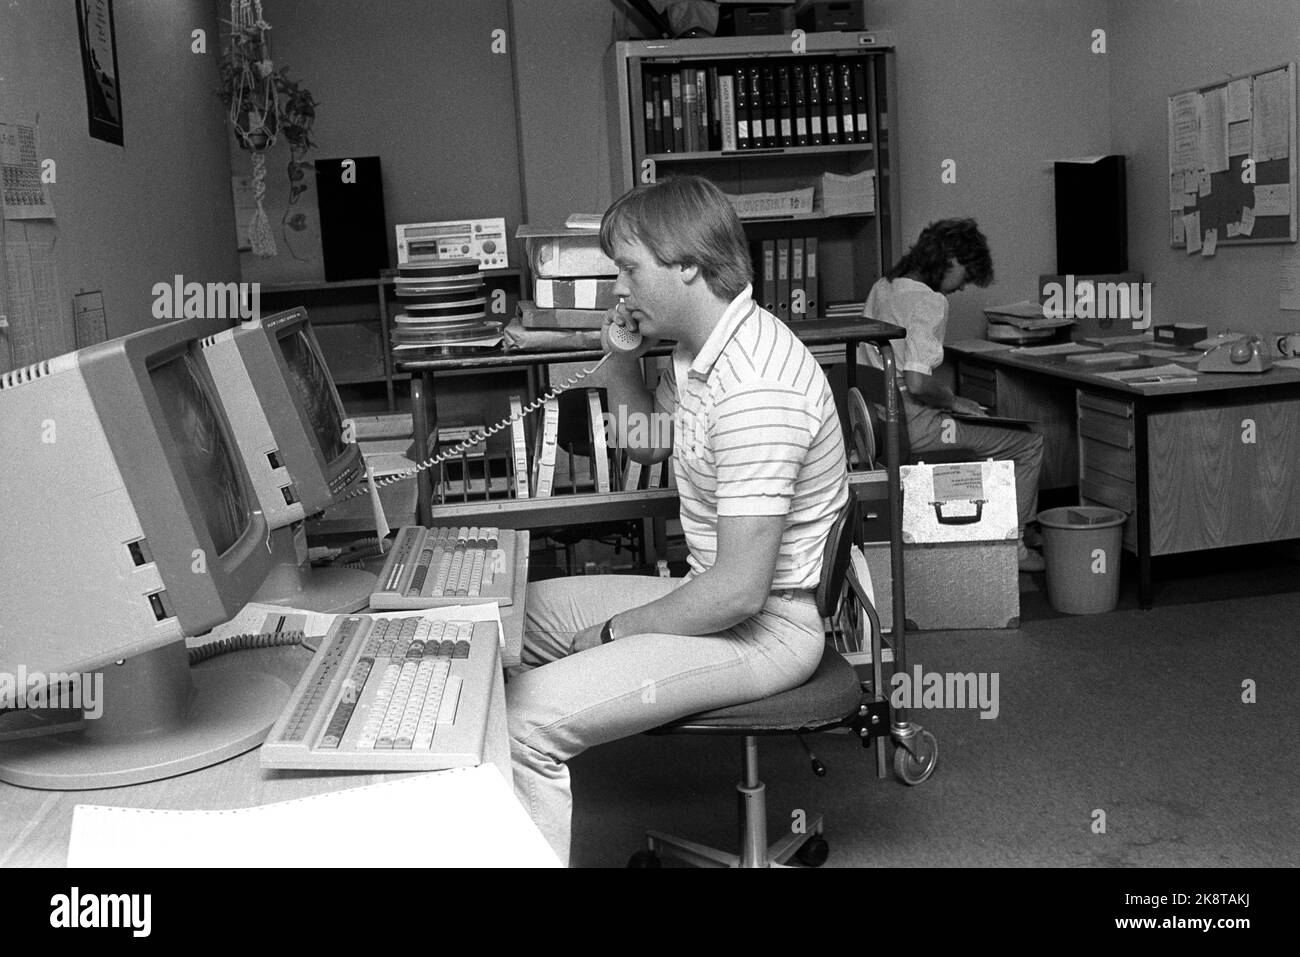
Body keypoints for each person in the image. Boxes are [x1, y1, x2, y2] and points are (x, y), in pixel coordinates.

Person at [505, 175, 849, 864]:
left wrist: (612, 631)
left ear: (687, 262)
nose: (618, 288)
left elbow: (738, 593)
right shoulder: (702, 349)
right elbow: (646, 440)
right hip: (715, 592)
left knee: (525, 722)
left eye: (629, 268)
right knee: (515, 614)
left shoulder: (756, 383)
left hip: (766, 625)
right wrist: (620, 358)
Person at [861, 218, 1045, 572]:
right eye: (966, 275)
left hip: (878, 422)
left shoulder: (882, 287)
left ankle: (1020, 528)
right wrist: (952, 401)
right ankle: (1018, 542)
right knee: (1030, 440)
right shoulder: (929, 301)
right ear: (952, 260)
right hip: (915, 423)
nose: (961, 288)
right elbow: (916, 382)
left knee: (984, 424)